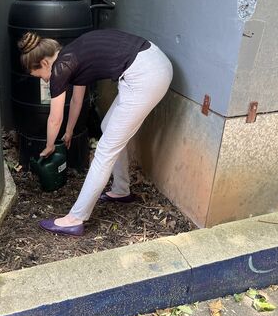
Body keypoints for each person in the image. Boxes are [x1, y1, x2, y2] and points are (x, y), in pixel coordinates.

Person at [18, 29, 172, 236]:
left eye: (40, 76)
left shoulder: (60, 68)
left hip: (145, 75)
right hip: (151, 62)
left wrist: (49, 145)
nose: (45, 81)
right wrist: (70, 131)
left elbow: (54, 119)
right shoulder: (71, 55)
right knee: (107, 128)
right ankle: (121, 190)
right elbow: (76, 100)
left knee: (104, 151)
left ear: (45, 63)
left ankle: (75, 218)